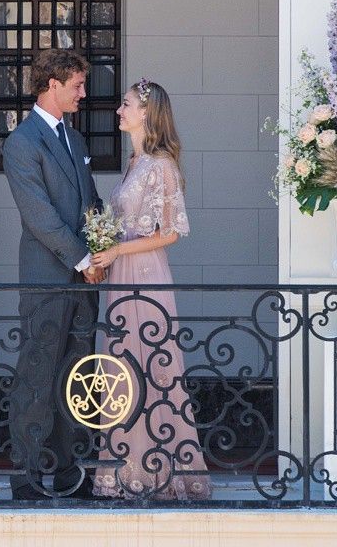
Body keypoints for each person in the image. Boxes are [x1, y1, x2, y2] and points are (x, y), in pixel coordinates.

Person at [91, 79, 211, 500]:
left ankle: (159, 471)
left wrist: (115, 248)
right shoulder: (134, 163)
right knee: (122, 365)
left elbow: (170, 232)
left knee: (150, 367)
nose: (119, 110)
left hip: (144, 273)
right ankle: (127, 466)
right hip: (122, 271)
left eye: (125, 104)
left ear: (146, 112)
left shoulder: (160, 165)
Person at [3, 49, 104, 500]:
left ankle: (69, 470)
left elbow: (92, 202)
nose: (83, 93)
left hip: (85, 278)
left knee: (77, 373)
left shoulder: (76, 140)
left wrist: (104, 248)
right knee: (38, 371)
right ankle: (25, 473)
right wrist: (83, 258)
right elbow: (39, 217)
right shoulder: (22, 142)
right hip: (47, 276)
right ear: (52, 86)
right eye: (77, 86)